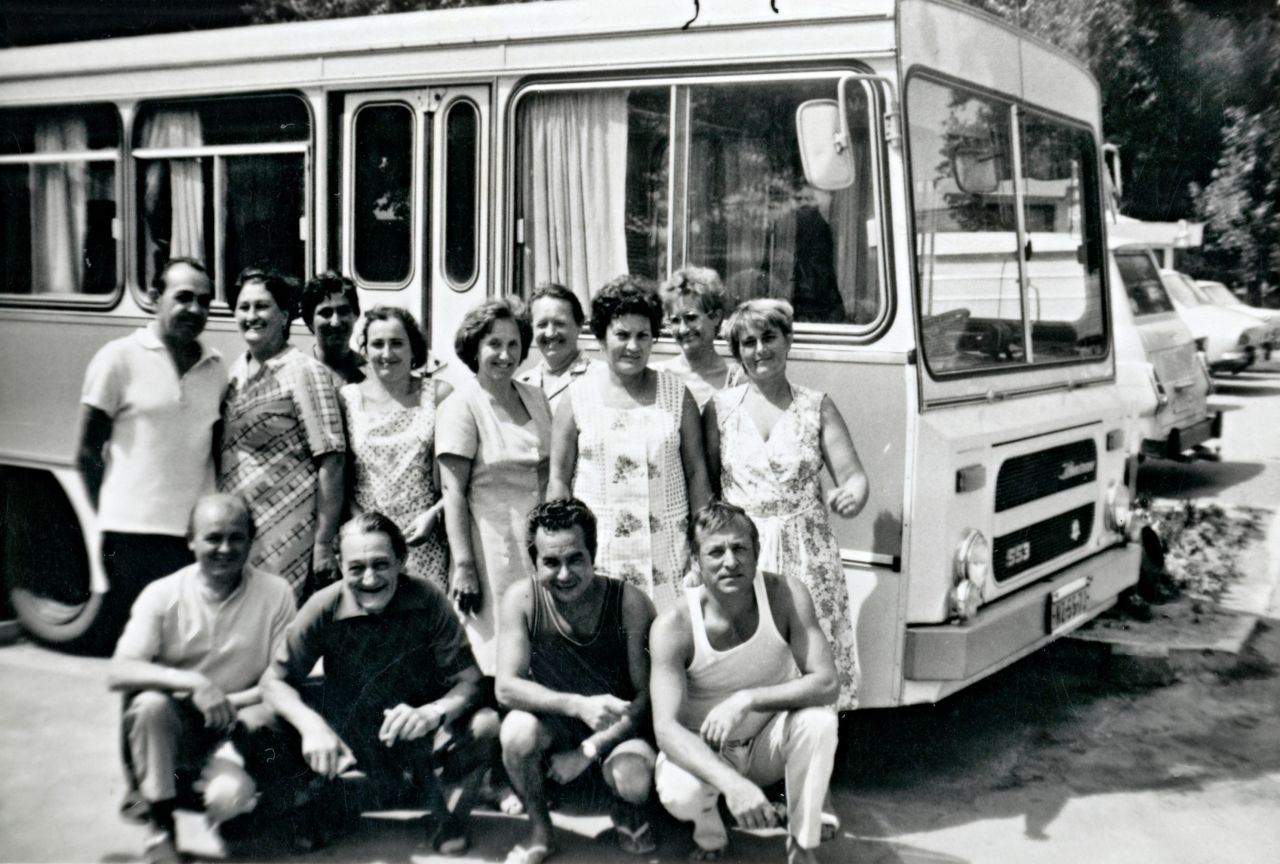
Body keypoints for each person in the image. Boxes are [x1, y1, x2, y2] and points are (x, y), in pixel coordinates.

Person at [260, 512, 499, 855]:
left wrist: (433, 712)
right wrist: (313, 727)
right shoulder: (323, 605)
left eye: (381, 564)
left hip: (417, 730)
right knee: (270, 722)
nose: (370, 579)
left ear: (401, 560)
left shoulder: (428, 598)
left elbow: (471, 682)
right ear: (340, 565)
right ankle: (317, 804)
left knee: (485, 725)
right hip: (351, 734)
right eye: (356, 568)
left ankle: (448, 815)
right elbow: (274, 682)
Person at [110, 493, 296, 864]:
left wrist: (226, 702)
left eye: (236, 537)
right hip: (177, 725)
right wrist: (196, 685)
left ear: (252, 540)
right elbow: (120, 670)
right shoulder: (163, 593)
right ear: (191, 541)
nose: (225, 549)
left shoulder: (276, 594)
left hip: (236, 727)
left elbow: (283, 676)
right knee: (149, 705)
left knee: (229, 798)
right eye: (213, 538)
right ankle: (161, 829)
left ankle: (228, 809)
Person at [651, 501, 840, 864]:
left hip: (765, 744)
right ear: (695, 559)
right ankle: (710, 833)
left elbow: (827, 682)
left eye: (740, 548)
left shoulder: (785, 594)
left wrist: (747, 699)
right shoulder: (674, 624)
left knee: (819, 722)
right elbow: (666, 730)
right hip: (705, 749)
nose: (730, 561)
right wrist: (734, 785)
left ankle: (802, 845)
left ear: (757, 551)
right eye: (715, 551)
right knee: (680, 793)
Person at [703, 298, 868, 709]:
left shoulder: (817, 405)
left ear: (788, 340)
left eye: (769, 337)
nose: (760, 350)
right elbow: (707, 490)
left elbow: (853, 476)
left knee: (812, 653)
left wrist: (853, 494)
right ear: (737, 352)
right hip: (743, 552)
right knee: (749, 649)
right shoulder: (719, 409)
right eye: (748, 343)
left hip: (807, 550)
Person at [496, 498, 658, 864]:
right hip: (559, 726)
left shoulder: (629, 602)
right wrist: (578, 706)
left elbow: (647, 697)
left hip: (619, 731)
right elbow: (505, 687)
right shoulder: (522, 599)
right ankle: (541, 832)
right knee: (516, 733)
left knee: (632, 779)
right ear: (534, 562)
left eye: (575, 559)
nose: (564, 574)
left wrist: (590, 749)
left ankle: (627, 809)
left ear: (593, 555)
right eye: (551, 562)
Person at [77, 257, 226, 646]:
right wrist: (110, 516)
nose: (195, 309)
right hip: (131, 539)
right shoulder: (117, 357)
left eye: (204, 301)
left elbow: (214, 453)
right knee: (138, 650)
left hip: (190, 539)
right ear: (156, 298)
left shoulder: (215, 368)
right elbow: (87, 452)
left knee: (185, 647)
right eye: (184, 297)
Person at [548, 275, 711, 613]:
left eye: (643, 336)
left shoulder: (677, 395)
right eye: (622, 335)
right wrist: (562, 551)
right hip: (600, 553)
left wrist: (701, 547)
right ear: (601, 338)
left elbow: (697, 474)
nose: (633, 347)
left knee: (666, 637)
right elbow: (558, 480)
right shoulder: (576, 398)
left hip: (668, 553)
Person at [438, 298, 552, 674]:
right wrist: (464, 566)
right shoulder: (461, 406)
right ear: (474, 348)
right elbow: (453, 492)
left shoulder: (535, 396)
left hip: (539, 545)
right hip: (491, 550)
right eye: (494, 344)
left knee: (539, 647)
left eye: (513, 344)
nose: (505, 355)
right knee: (494, 650)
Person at [220, 268, 346, 601]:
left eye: (262, 306)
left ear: (284, 315)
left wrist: (323, 544)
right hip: (239, 528)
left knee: (278, 620)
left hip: (288, 533)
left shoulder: (305, 371)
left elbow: (332, 460)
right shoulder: (235, 372)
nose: (251, 316)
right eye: (243, 307)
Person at [339, 305, 453, 587]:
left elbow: (459, 477)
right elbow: (340, 478)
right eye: (377, 344)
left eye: (397, 343)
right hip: (367, 545)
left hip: (423, 540)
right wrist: (363, 526)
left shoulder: (439, 394)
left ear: (414, 349)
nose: (387, 353)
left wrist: (434, 515)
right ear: (365, 350)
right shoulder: (347, 399)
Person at [655, 266, 737, 408]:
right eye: (675, 320)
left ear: (716, 317)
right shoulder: (657, 375)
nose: (683, 329)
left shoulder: (735, 380)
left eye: (691, 318)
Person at [517, 282, 596, 412]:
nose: (550, 333)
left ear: (579, 326)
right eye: (542, 324)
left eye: (559, 323)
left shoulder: (601, 378)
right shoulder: (522, 384)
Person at [300, 271, 366, 385]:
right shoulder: (297, 371)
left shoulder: (370, 372)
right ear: (309, 321)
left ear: (356, 315)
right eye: (326, 313)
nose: (336, 323)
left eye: (343, 311)